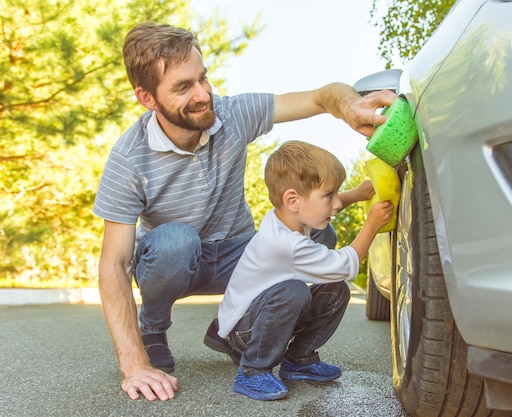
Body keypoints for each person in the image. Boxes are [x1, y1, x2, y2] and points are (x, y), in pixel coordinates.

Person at [93, 21, 397, 402]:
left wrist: (350, 105)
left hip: (238, 253)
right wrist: (133, 363)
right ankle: (153, 327)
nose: (203, 94)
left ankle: (242, 332)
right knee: (177, 241)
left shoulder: (231, 115)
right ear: (147, 97)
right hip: (175, 262)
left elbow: (321, 97)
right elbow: (113, 265)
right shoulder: (129, 159)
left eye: (202, 79)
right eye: (183, 87)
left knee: (319, 231)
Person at [209, 140, 393, 401]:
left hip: (260, 317)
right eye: (330, 195)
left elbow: (317, 211)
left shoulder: (286, 218)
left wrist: (356, 194)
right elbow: (345, 265)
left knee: (335, 289)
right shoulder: (285, 243)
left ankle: (299, 359)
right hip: (243, 332)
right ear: (293, 200)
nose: (337, 203)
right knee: (294, 292)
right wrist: (371, 225)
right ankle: (252, 370)